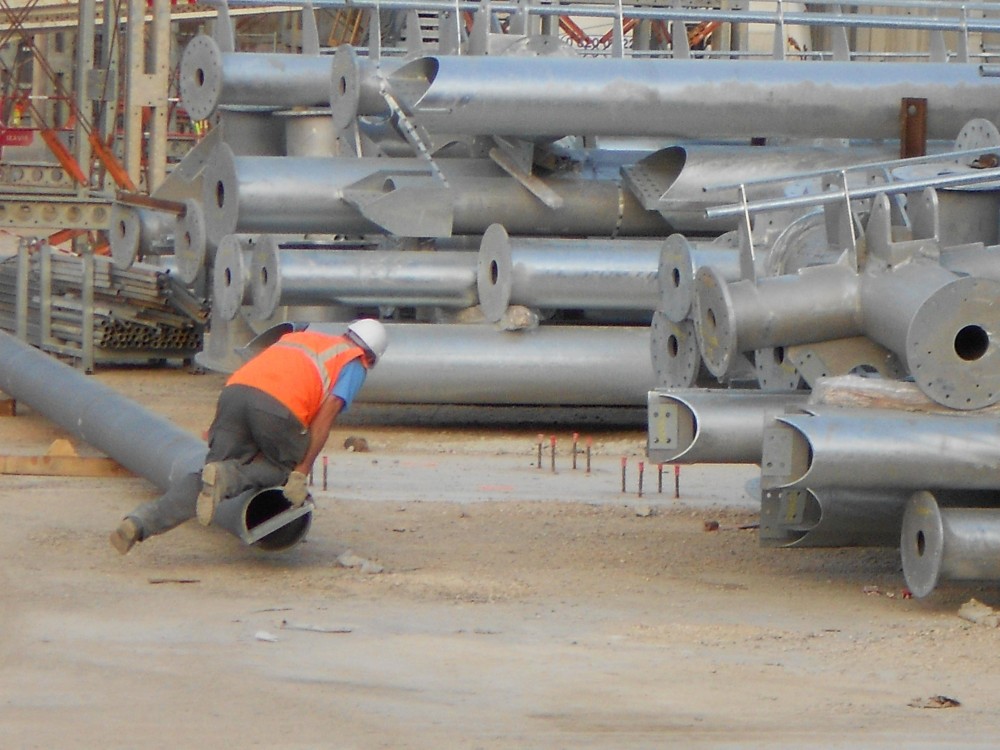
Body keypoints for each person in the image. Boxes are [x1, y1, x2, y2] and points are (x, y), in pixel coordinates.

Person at [110, 319, 388, 554]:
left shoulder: (304, 339)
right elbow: (324, 420)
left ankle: (139, 522)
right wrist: (301, 471)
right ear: (371, 357)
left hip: (234, 395)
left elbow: (259, 378)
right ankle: (229, 477)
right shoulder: (354, 362)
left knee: (206, 477)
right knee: (281, 468)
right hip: (279, 407)